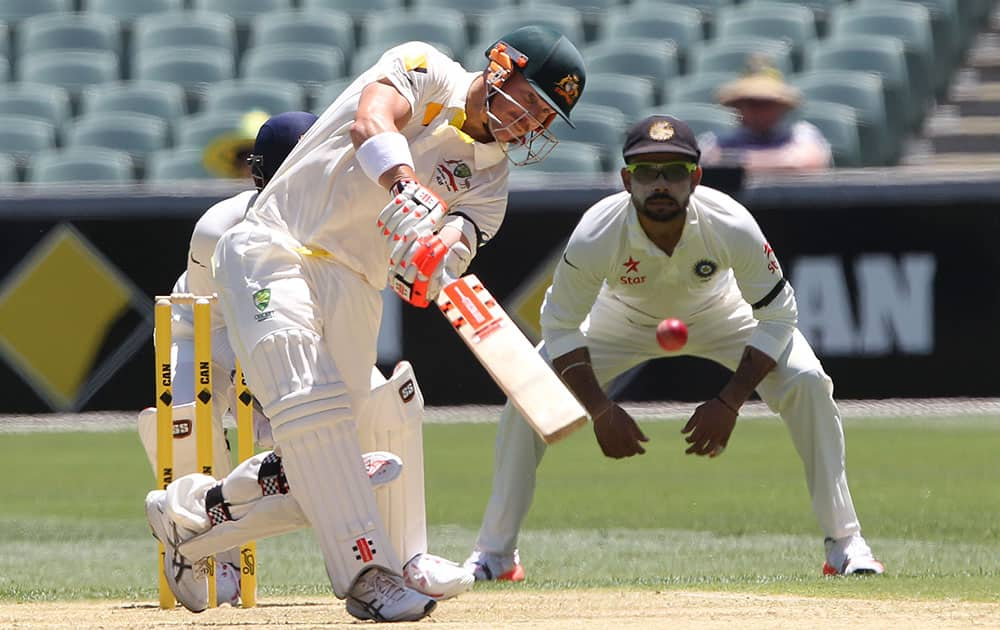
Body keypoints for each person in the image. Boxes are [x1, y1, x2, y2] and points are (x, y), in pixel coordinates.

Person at [146, 25, 587, 623]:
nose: (531, 123)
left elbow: (453, 248)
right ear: (503, 67)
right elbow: (370, 121)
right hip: (277, 244)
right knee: (309, 404)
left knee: (331, 467)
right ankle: (367, 576)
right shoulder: (428, 69)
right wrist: (405, 188)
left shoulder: (491, 181)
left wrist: (429, 264)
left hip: (356, 286)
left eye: (546, 118)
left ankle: (190, 516)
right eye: (532, 101)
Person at [464, 114, 883, 583]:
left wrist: (729, 401)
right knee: (529, 397)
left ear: (695, 178)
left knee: (807, 380)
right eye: (646, 172)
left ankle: (845, 544)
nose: (659, 183)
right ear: (627, 180)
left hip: (721, 314)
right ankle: (496, 554)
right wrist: (600, 410)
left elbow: (779, 314)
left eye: (675, 171)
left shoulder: (730, 223)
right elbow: (559, 324)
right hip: (618, 317)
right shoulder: (597, 231)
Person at [139, 110, 319, 607]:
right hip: (201, 327)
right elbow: (210, 317)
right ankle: (203, 552)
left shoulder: (337, 220)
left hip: (271, 329)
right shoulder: (217, 228)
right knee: (185, 421)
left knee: (313, 447)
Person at [699, 63, 832, 172]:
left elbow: (809, 161)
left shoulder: (801, 134)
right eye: (751, 103)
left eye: (766, 104)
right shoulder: (721, 141)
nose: (758, 111)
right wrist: (779, 160)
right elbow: (710, 160)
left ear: (781, 107)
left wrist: (739, 160)